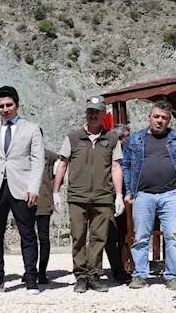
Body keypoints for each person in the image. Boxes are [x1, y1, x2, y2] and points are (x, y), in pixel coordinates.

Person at [0, 86, 45, 294]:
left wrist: (34, 187)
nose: (5, 109)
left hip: (22, 188)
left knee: (27, 234)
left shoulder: (32, 129)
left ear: (17, 104)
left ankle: (31, 278)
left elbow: (37, 160)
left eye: (9, 105)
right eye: (1, 106)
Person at [53, 96, 125, 293]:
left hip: (103, 197)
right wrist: (55, 192)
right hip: (77, 196)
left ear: (103, 114)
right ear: (86, 112)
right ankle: (80, 276)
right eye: (90, 111)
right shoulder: (73, 137)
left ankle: (94, 275)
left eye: (97, 111)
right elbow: (62, 165)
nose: (93, 114)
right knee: (78, 237)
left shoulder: (111, 139)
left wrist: (118, 195)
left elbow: (116, 167)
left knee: (99, 237)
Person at [121, 100, 176, 291]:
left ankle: (172, 275)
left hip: (171, 194)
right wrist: (128, 191)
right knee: (141, 236)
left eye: (164, 118)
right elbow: (126, 165)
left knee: (173, 237)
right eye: (156, 116)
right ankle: (140, 274)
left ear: (169, 120)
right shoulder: (135, 139)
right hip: (143, 195)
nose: (160, 121)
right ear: (149, 117)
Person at [104, 124, 132, 284]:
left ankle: (122, 266)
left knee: (123, 233)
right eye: (125, 138)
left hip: (123, 197)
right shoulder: (108, 152)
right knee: (109, 234)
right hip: (108, 196)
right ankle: (117, 269)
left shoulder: (125, 153)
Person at [35, 147, 59, 284]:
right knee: (27, 238)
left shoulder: (50, 156)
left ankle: (42, 271)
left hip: (43, 199)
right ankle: (30, 270)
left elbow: (59, 171)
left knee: (43, 236)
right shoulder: (20, 152)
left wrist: (54, 191)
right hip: (24, 200)